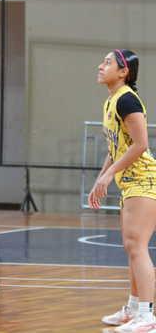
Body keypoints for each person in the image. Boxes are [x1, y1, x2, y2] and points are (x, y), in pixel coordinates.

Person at [90, 50, 156, 332]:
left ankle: (147, 315)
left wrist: (109, 175)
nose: (100, 66)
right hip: (129, 182)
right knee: (131, 247)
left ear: (123, 71)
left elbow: (141, 145)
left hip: (144, 180)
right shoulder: (111, 100)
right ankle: (133, 308)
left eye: (107, 63)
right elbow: (116, 147)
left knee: (137, 246)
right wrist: (101, 178)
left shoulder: (128, 99)